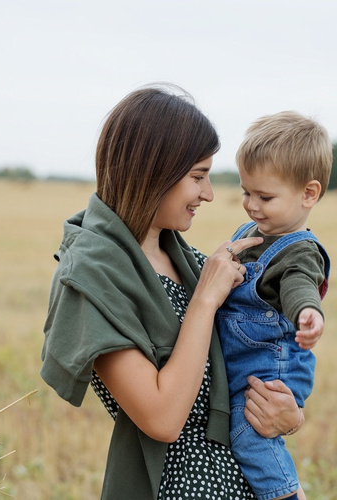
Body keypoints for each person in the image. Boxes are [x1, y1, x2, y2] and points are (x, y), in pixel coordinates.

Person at [40, 85, 306, 500]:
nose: (209, 193)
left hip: (251, 483)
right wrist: (205, 300)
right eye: (197, 176)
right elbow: (163, 419)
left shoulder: (190, 261)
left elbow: (259, 359)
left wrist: (288, 416)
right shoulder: (90, 280)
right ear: (153, 172)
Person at [216, 111, 332, 500]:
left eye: (265, 197)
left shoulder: (298, 251)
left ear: (308, 194)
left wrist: (307, 313)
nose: (251, 205)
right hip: (247, 362)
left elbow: (301, 286)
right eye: (247, 192)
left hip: (272, 369)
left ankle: (286, 495)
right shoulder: (252, 232)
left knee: (250, 435)